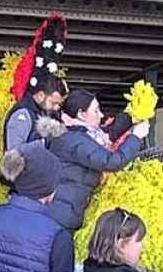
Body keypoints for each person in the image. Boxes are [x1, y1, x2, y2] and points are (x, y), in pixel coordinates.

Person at [45, 89, 149, 232]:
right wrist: (135, 137)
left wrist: (133, 113)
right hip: (61, 214)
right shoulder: (74, 140)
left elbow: (109, 132)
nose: (101, 115)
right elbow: (111, 162)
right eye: (96, 110)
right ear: (81, 114)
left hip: (65, 209)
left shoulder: (83, 133)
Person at [2, 73, 67, 155]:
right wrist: (44, 143)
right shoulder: (22, 114)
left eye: (59, 104)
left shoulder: (44, 111)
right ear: (41, 95)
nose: (56, 107)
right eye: (54, 103)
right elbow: (14, 151)